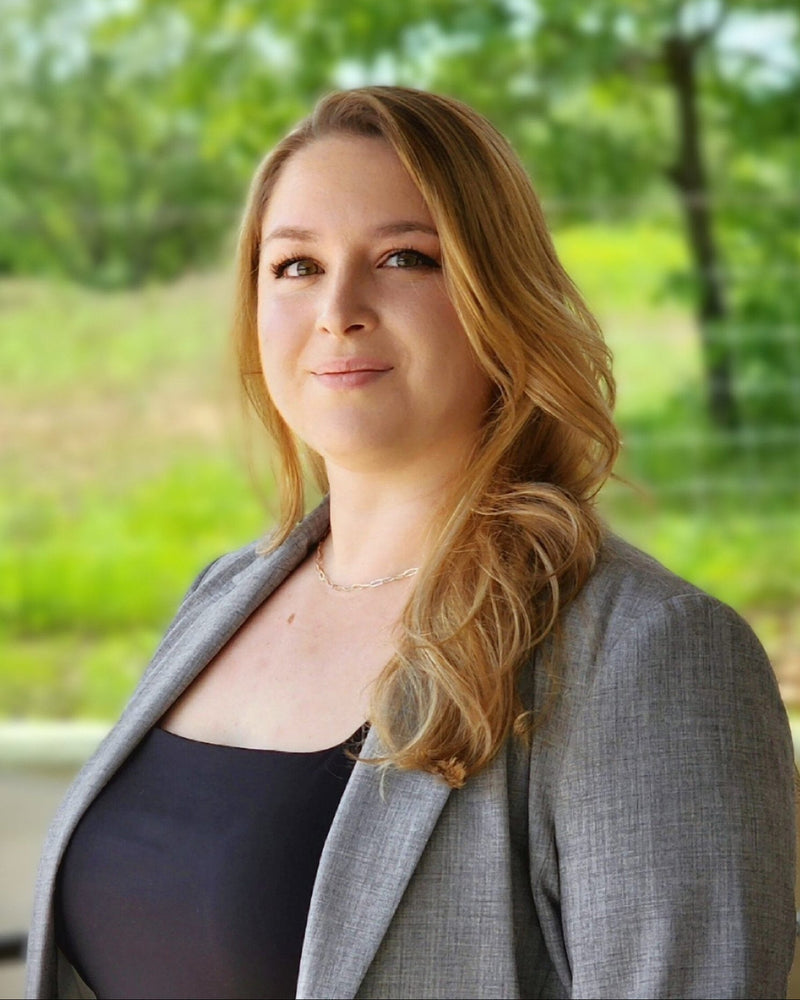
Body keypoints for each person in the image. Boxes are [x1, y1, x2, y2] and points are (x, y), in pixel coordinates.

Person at [26, 86, 795, 1000]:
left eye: (403, 258)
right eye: (296, 266)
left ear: (499, 296)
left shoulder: (647, 654)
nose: (338, 309)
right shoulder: (222, 597)